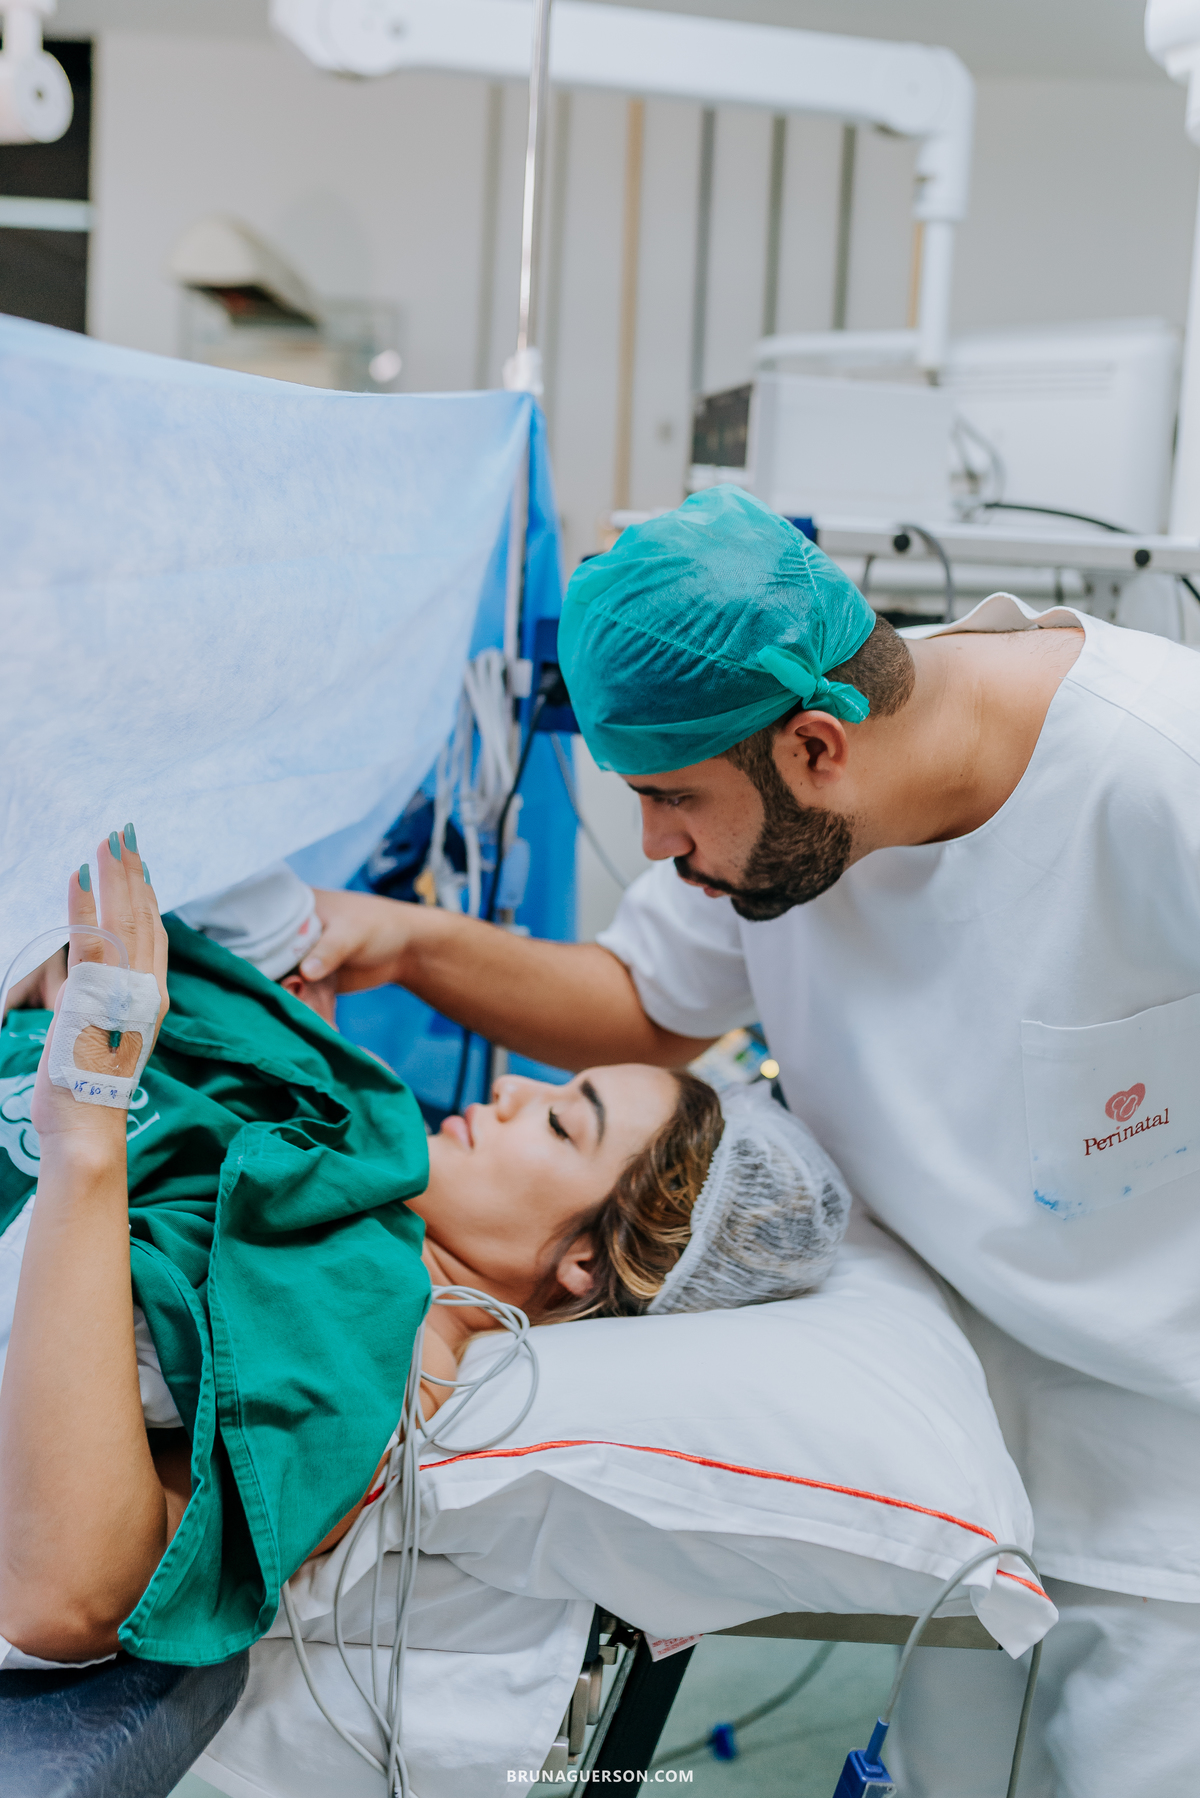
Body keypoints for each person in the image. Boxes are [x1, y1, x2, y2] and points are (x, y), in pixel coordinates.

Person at [301, 485, 1200, 1798]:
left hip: (1174, 1507)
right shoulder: (790, 803)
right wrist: (409, 943)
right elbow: (646, 1007)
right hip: (989, 1481)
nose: (657, 849)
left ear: (821, 748)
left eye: (670, 803)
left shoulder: (1157, 769)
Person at [0, 822, 847, 1671]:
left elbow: (68, 1597)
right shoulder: (353, 1149)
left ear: (586, 1262)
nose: (513, 1088)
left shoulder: (374, 1355)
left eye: (561, 1123)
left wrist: (88, 1121)